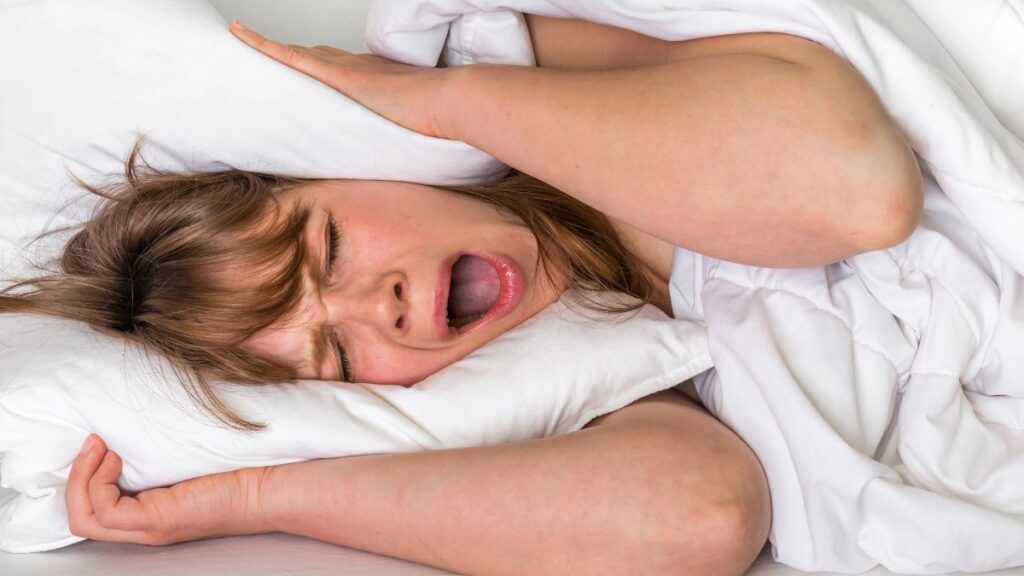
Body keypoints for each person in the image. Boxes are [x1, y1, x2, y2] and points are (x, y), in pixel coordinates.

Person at [6, 15, 922, 576]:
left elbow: (859, 193)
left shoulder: (532, 62)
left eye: (328, 244)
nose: (383, 305)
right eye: (340, 355)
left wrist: (445, 105)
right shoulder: (607, 376)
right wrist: (254, 498)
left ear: (341, 166)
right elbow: (700, 515)